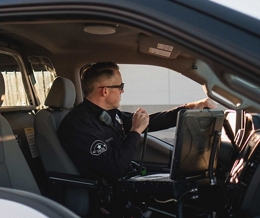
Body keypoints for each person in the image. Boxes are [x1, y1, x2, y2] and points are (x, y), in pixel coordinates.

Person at [57, 62, 217, 185]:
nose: (123, 91)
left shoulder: (108, 115)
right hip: (107, 196)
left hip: (125, 181)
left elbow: (151, 122)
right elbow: (114, 168)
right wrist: (135, 131)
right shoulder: (79, 124)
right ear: (105, 91)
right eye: (120, 87)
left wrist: (189, 108)